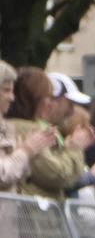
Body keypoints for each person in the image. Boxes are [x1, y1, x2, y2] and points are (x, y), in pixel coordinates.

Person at [6, 68, 95, 201]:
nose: (72, 110)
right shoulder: (29, 130)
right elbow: (56, 175)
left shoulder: (37, 129)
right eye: (70, 103)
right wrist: (75, 148)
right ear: (36, 98)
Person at [0, 61, 57, 191]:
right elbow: (3, 175)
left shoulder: (7, 127)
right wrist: (26, 150)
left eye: (12, 91)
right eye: (6, 90)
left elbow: (19, 177)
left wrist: (20, 154)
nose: (12, 98)